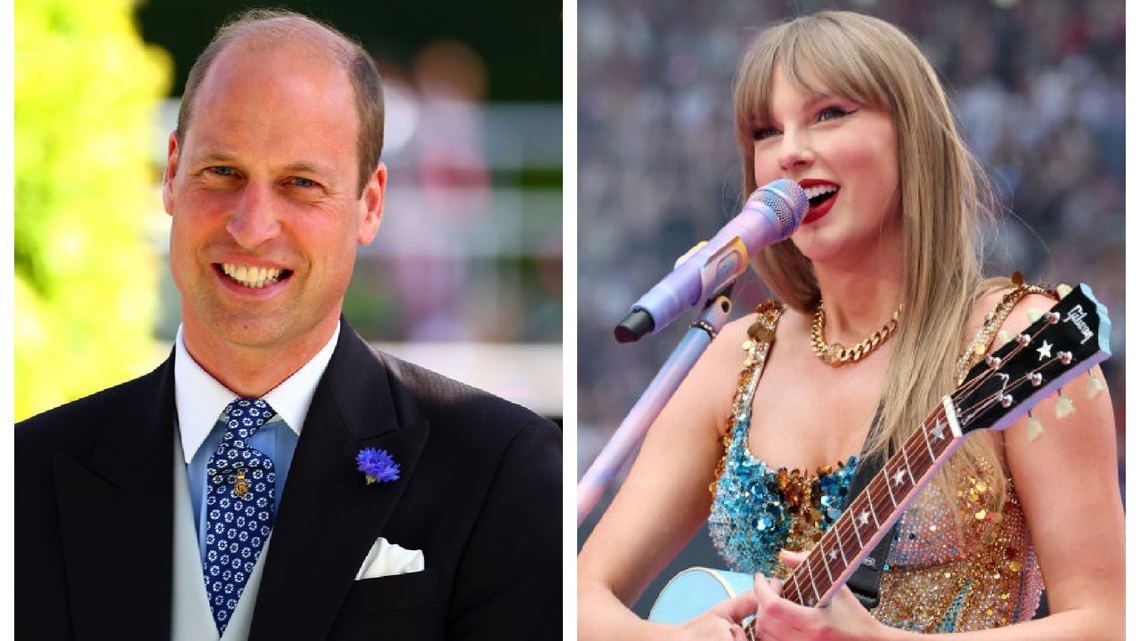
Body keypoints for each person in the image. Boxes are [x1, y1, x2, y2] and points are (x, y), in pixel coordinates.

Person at [15, 9, 561, 640]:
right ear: (171, 174)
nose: (251, 226)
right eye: (223, 172)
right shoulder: (25, 476)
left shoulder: (499, 471)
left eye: (300, 184)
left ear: (370, 204)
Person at [578, 11, 1123, 641]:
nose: (789, 151)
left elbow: (1105, 622)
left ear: (911, 137)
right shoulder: (734, 356)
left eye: (829, 114)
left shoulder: (1019, 342)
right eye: (764, 131)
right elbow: (579, 595)